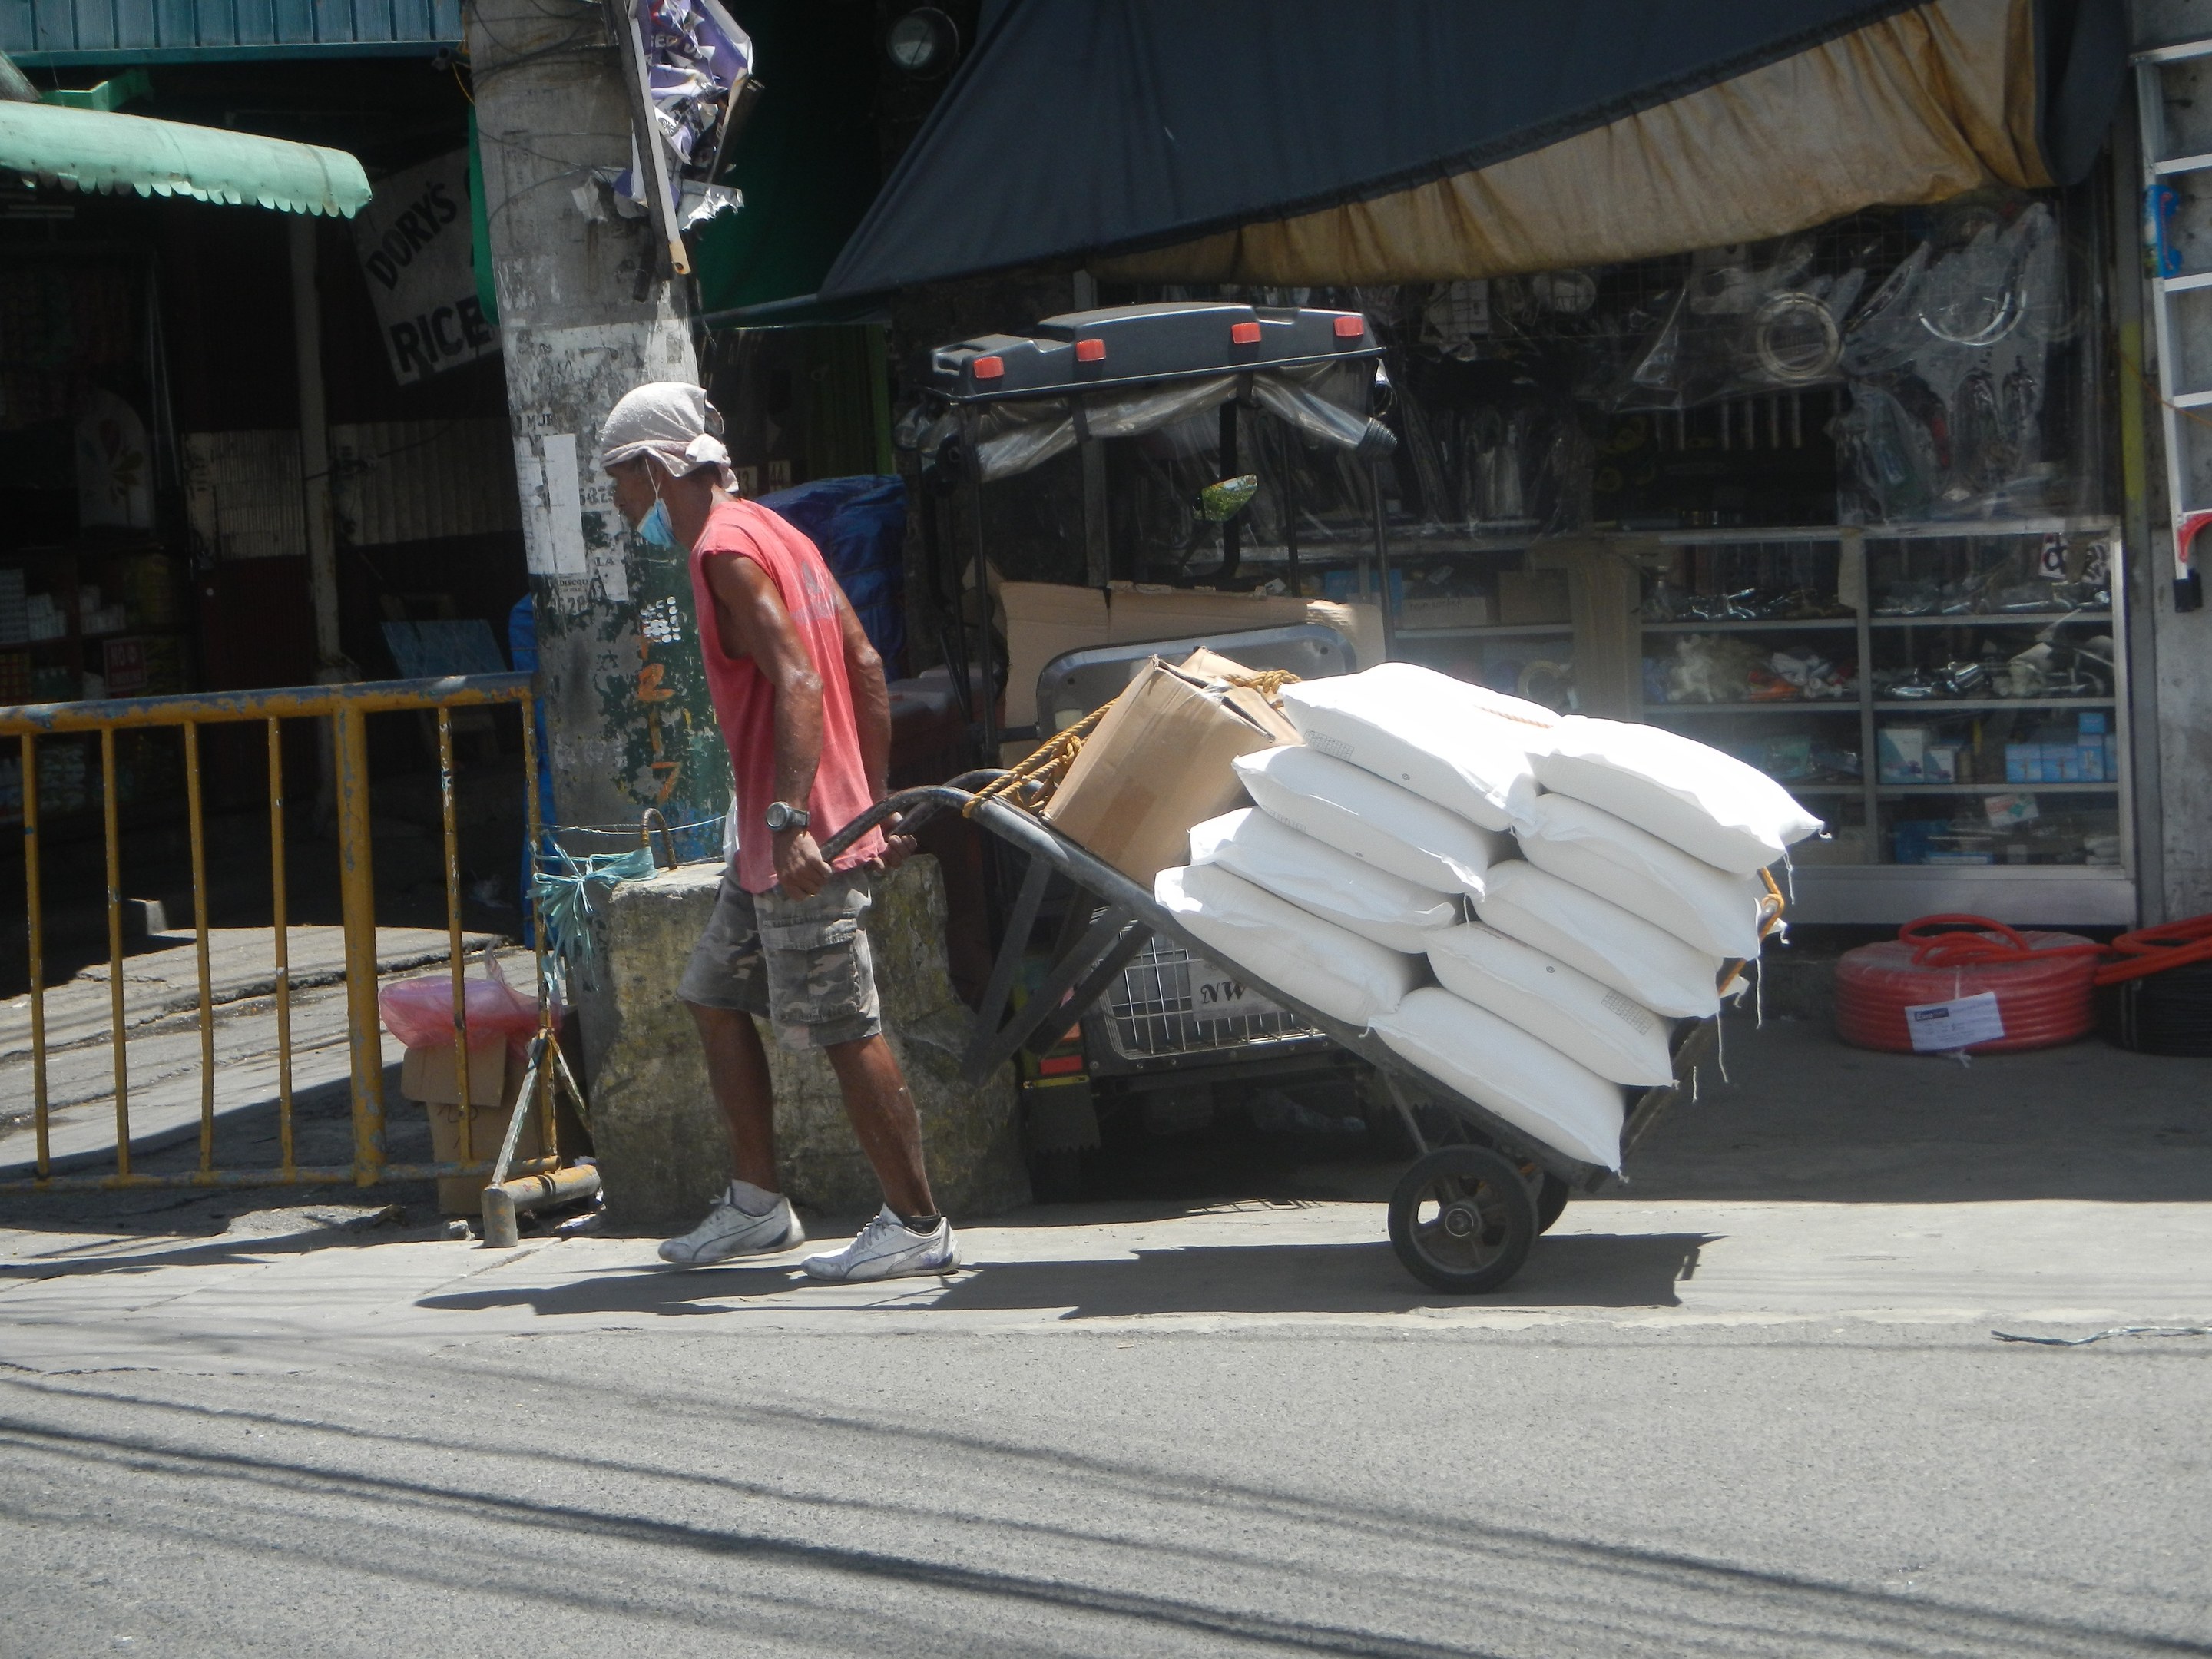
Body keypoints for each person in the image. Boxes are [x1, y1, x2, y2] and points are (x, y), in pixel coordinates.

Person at [596, 382, 956, 1282]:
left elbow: (801, 679)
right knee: (711, 994)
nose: (619, 501)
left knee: (844, 1027)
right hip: (778, 835)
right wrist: (873, 800)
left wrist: (801, 821)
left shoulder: (724, 550)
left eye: (619, 479)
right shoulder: (778, 532)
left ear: (656, 467)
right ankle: (757, 1206)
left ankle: (917, 1222)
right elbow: (863, 661)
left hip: (799, 838)